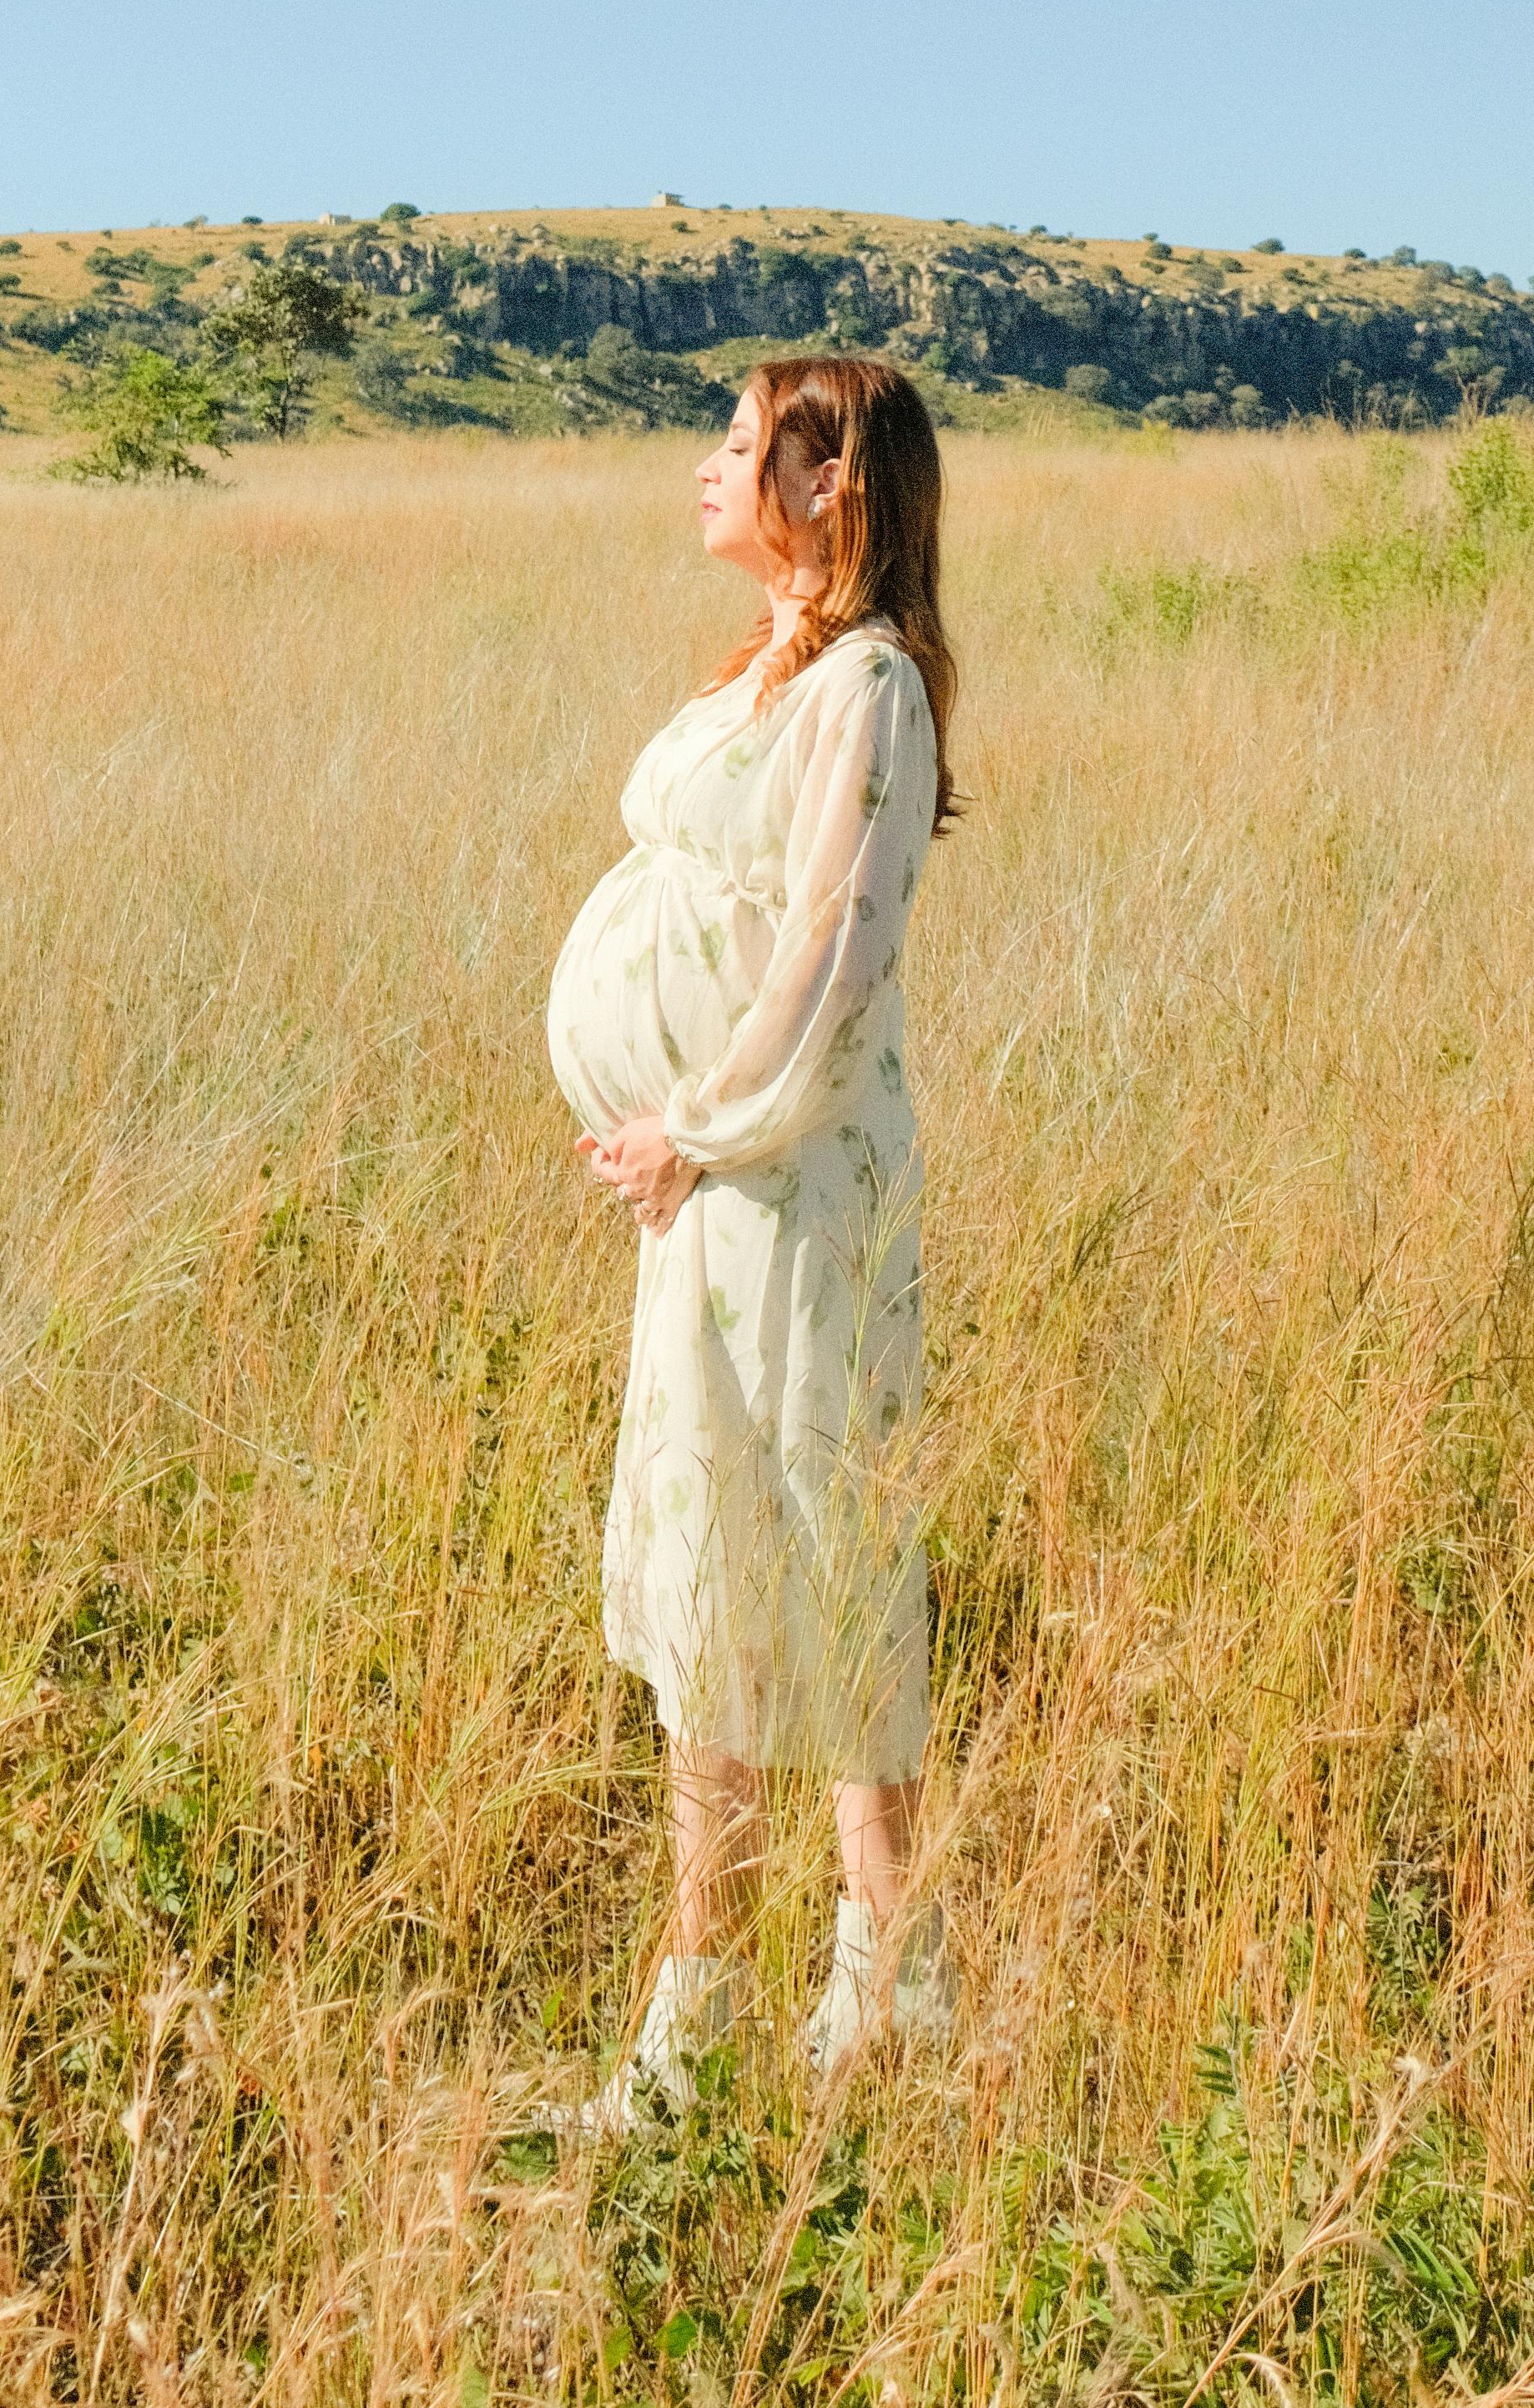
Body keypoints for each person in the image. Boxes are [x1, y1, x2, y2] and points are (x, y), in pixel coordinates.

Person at [544, 350, 961, 2128]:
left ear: (832, 483)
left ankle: (803, 2007)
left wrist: (690, 1129)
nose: (707, 466)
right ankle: (797, 2004)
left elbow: (827, 955)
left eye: (743, 443)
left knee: (808, 1556)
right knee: (735, 1562)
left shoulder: (869, 682)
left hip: (788, 1194)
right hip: (714, 1195)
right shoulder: (773, 666)